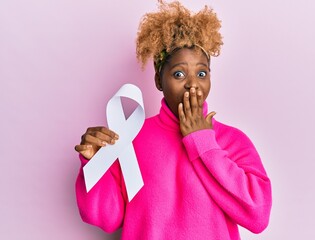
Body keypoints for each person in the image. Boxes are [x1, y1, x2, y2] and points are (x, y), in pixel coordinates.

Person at [74, 1, 272, 239]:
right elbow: (106, 219)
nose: (192, 84)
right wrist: (95, 164)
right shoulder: (131, 138)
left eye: (201, 73)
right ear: (159, 80)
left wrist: (203, 143)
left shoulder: (232, 141)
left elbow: (258, 215)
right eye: (179, 74)